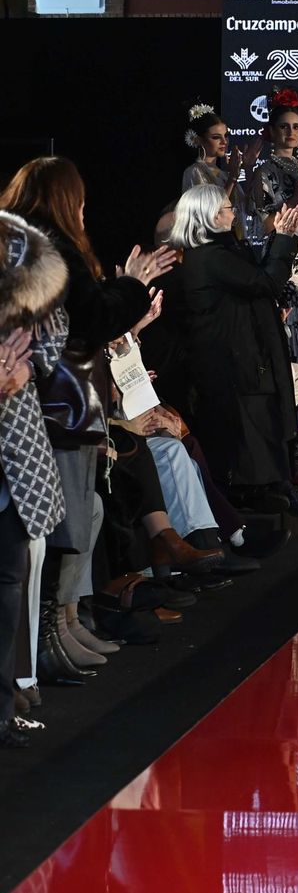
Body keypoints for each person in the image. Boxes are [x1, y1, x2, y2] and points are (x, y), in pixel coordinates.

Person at [2, 157, 172, 699]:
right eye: (78, 199)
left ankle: (51, 638)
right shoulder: (49, 251)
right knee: (47, 538)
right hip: (57, 409)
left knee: (62, 530)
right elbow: (89, 321)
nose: (83, 210)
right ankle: (34, 658)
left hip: (57, 408)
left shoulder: (29, 248)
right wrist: (133, 286)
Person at [171, 184, 298, 517]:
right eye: (228, 208)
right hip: (233, 360)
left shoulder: (222, 250)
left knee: (265, 420)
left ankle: (275, 488)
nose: (233, 213)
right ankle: (263, 494)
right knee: (253, 427)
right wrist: (283, 238)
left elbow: (256, 283)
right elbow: (265, 282)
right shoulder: (210, 256)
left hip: (245, 355)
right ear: (211, 216)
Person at [0, 212, 69, 745]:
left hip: (15, 446)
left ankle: (3, 708)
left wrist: (23, 370)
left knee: (9, 583)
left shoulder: (21, 251)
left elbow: (56, 324)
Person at [247, 85, 298, 370]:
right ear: (271, 131)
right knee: (289, 323)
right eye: (284, 127)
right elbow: (266, 225)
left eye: (296, 127)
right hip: (283, 254)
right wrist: (295, 197)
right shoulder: (264, 172)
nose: (291, 132)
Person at [181, 101, 260, 204]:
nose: (224, 142)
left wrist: (249, 169)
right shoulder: (194, 172)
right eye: (216, 137)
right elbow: (211, 209)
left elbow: (247, 207)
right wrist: (233, 177)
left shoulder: (224, 174)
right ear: (199, 140)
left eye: (226, 136)